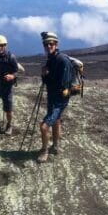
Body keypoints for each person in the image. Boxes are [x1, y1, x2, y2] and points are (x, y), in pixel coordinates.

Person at [38, 31, 72, 163]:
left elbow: (64, 85)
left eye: (51, 44)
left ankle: (45, 151)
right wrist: (44, 75)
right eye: (46, 44)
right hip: (52, 97)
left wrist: (47, 75)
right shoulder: (51, 59)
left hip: (59, 100)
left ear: (56, 45)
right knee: (56, 120)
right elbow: (48, 81)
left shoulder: (62, 60)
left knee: (44, 126)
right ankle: (55, 146)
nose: (48, 46)